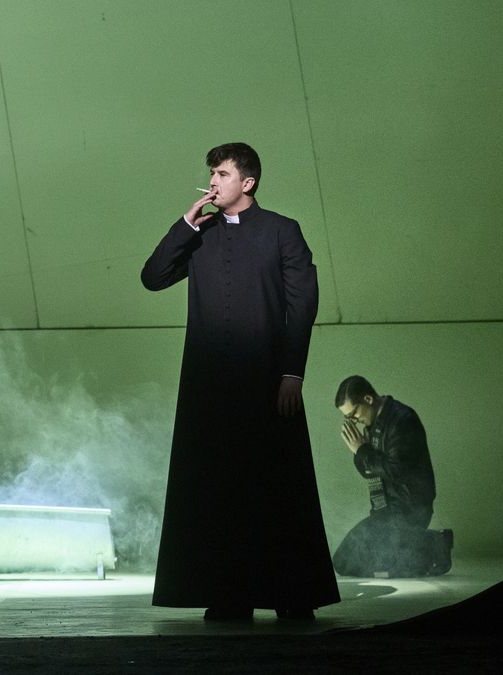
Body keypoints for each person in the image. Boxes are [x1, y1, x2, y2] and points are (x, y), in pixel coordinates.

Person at [141, 142, 339, 621]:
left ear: (247, 183)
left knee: (276, 488)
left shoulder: (281, 230)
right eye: (211, 173)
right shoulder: (200, 234)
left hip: (267, 381)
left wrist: (292, 372)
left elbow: (302, 306)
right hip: (210, 387)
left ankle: (292, 595)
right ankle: (229, 594)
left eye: (223, 174)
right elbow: (152, 277)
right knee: (218, 490)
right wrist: (186, 225)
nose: (213, 182)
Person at [332, 375, 453, 577]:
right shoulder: (372, 425)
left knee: (399, 566)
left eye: (353, 414)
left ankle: (435, 544)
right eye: (349, 418)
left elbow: (396, 470)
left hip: (410, 510)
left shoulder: (403, 420)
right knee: (344, 562)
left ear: (368, 399)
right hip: (385, 512)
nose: (354, 421)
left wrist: (362, 451)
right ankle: (411, 548)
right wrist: (359, 451)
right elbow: (369, 472)